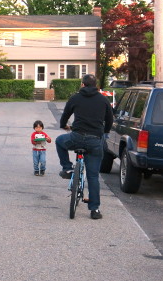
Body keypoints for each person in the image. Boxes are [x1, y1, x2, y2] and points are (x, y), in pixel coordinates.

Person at [56, 74, 113, 220]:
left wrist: (64, 126)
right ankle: (95, 210)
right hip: (95, 141)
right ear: (96, 85)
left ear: (82, 85)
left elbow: (65, 115)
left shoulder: (75, 98)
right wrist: (104, 132)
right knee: (93, 176)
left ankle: (67, 168)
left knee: (59, 141)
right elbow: (110, 119)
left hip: (76, 138)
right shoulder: (103, 99)